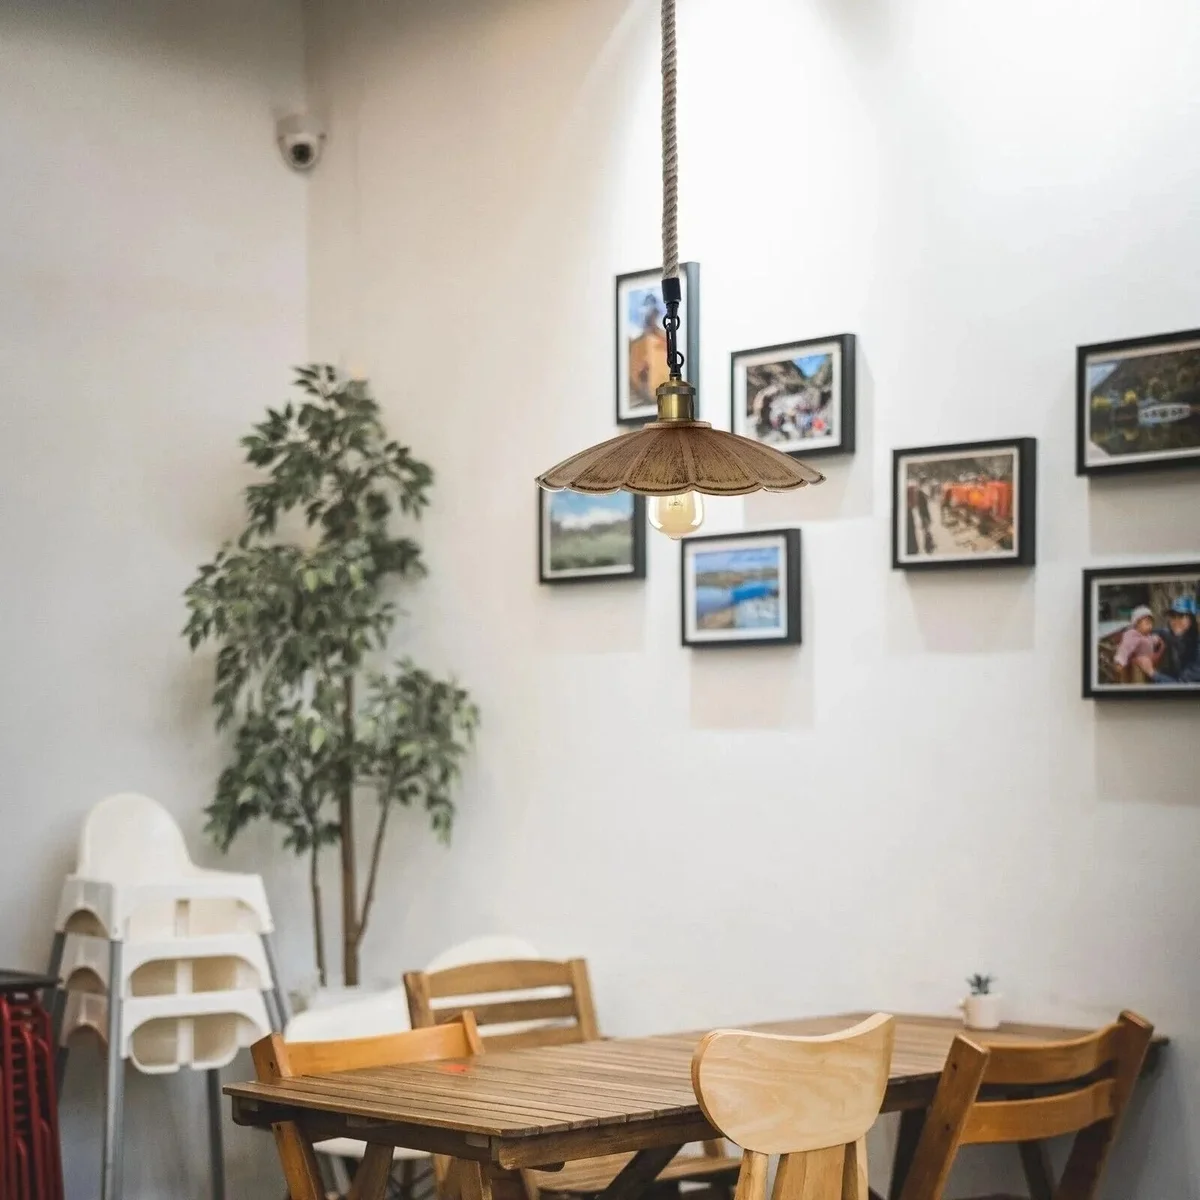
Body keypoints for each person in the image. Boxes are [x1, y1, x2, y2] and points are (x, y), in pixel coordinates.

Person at [1153, 595, 1200, 683]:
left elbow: (1183, 685)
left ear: (1192, 620)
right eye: (1173, 616)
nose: (1176, 621)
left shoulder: (1197, 648)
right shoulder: (1177, 636)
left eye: (1181, 616)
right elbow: (1160, 632)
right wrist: (1152, 637)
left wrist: (1152, 673)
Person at [1112, 604, 1162, 682]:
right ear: (1137, 624)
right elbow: (1125, 647)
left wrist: (1157, 639)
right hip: (1137, 666)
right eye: (1147, 623)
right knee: (1138, 679)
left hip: (1148, 663)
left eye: (1151, 623)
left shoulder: (1146, 635)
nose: (1150, 626)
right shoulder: (1133, 635)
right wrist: (1120, 661)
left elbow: (1151, 640)